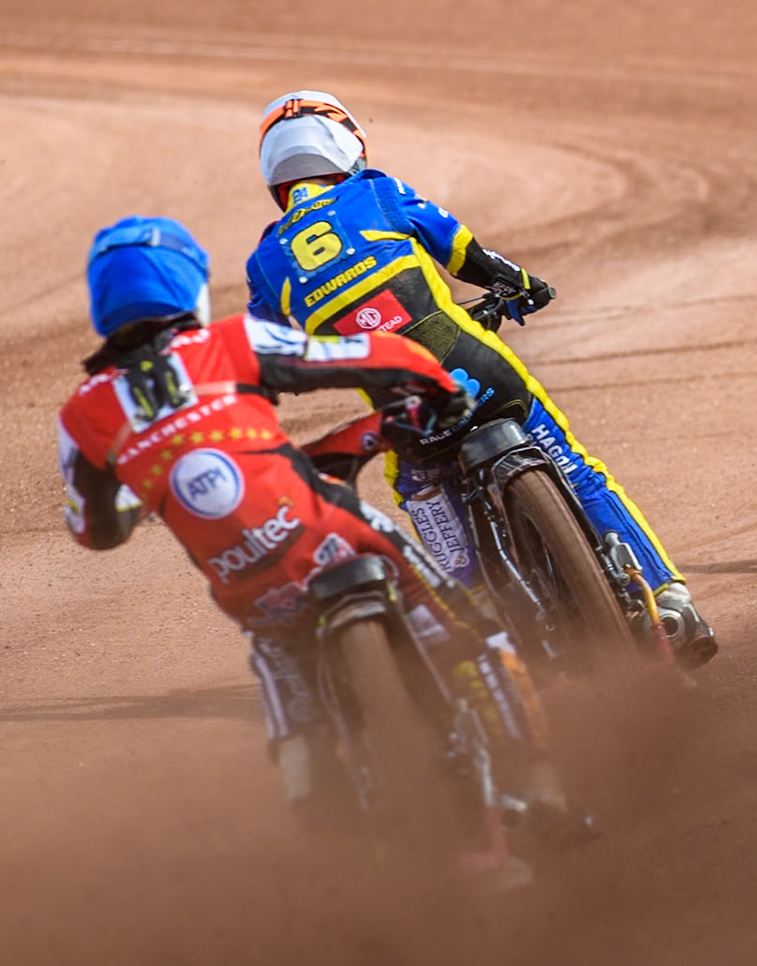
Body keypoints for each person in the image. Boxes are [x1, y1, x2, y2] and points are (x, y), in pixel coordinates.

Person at [57, 216, 571, 830]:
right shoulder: (231, 342)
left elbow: (94, 530)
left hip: (248, 590)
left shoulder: (81, 416)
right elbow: (366, 355)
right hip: (327, 531)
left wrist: (137, 493)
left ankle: (324, 810)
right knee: (473, 637)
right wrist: (436, 386)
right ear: (188, 286)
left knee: (281, 664)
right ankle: (544, 791)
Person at [242, 92, 715, 668]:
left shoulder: (266, 260)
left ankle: (491, 649)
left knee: (422, 497)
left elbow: (266, 353)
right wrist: (522, 284)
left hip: (408, 414)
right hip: (480, 369)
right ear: (348, 145)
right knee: (578, 469)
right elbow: (465, 251)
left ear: (274, 173)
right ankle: (670, 600)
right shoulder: (377, 192)